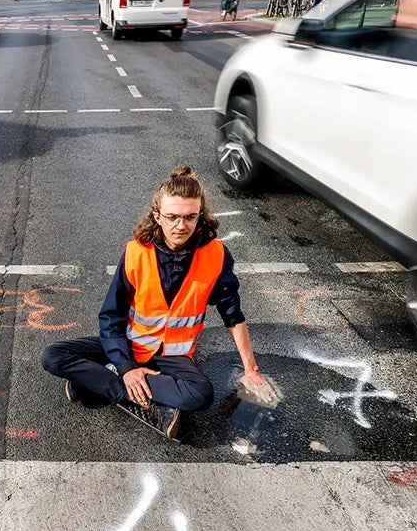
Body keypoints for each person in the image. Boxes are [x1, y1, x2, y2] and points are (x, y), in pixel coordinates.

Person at [41, 167, 272, 440]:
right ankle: (136, 395)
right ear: (157, 216)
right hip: (130, 346)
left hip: (174, 357)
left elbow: (232, 314)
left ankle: (97, 382)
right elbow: (111, 317)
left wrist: (251, 370)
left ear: (200, 216)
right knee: (53, 356)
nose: (181, 226)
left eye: (190, 217)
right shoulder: (136, 252)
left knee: (200, 395)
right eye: (172, 217)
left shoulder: (216, 255)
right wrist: (127, 369)